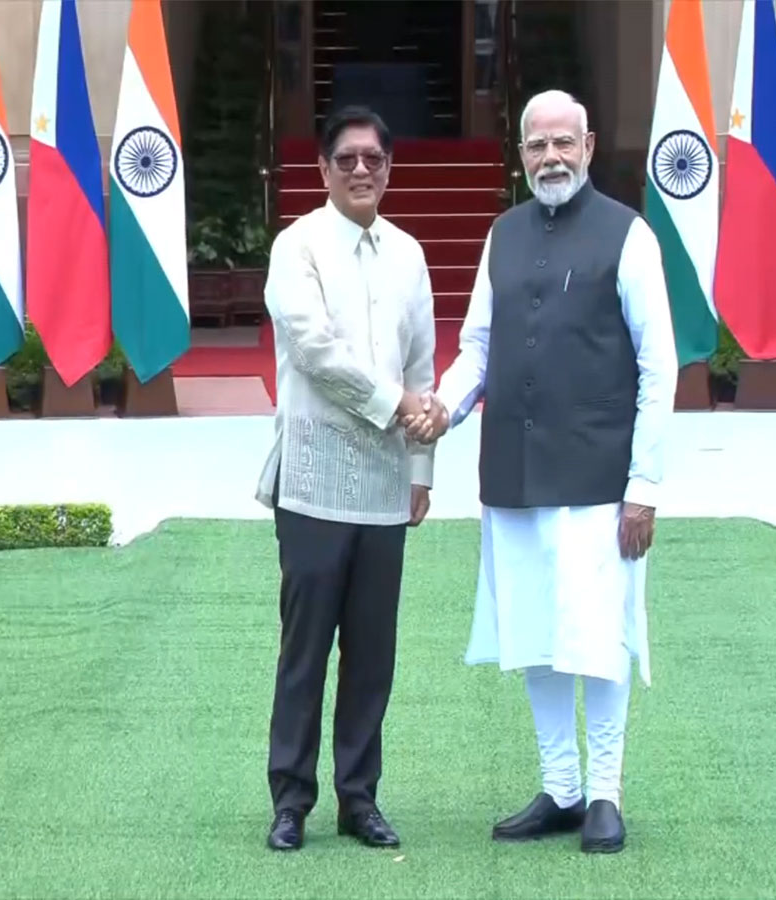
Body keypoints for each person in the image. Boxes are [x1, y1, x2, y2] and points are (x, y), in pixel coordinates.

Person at [404, 89, 678, 853]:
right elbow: (479, 349)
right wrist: (443, 409)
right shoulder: (504, 233)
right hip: (516, 475)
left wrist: (644, 487)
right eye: (536, 146)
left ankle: (605, 795)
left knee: (596, 636)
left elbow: (659, 368)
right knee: (536, 635)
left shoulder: (630, 236)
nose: (551, 158)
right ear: (520, 154)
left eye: (564, 143)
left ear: (588, 145)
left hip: (599, 481)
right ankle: (560, 788)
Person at [254, 105, 437, 852]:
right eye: (347, 159)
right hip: (313, 484)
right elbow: (313, 349)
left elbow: (423, 364)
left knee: (372, 653)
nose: (362, 170)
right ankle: (290, 801)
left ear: (389, 169)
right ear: (324, 170)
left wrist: (421, 466)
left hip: (386, 489)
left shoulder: (410, 255)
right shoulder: (296, 246)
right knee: (305, 651)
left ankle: (359, 800)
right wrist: (396, 405)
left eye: (374, 158)